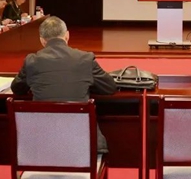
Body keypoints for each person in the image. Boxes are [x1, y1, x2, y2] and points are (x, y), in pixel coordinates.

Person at [11, 16, 117, 153]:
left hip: (42, 146)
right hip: (82, 146)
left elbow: (17, 89)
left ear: (42, 40)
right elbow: (109, 87)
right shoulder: (85, 59)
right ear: (67, 35)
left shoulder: (32, 61)